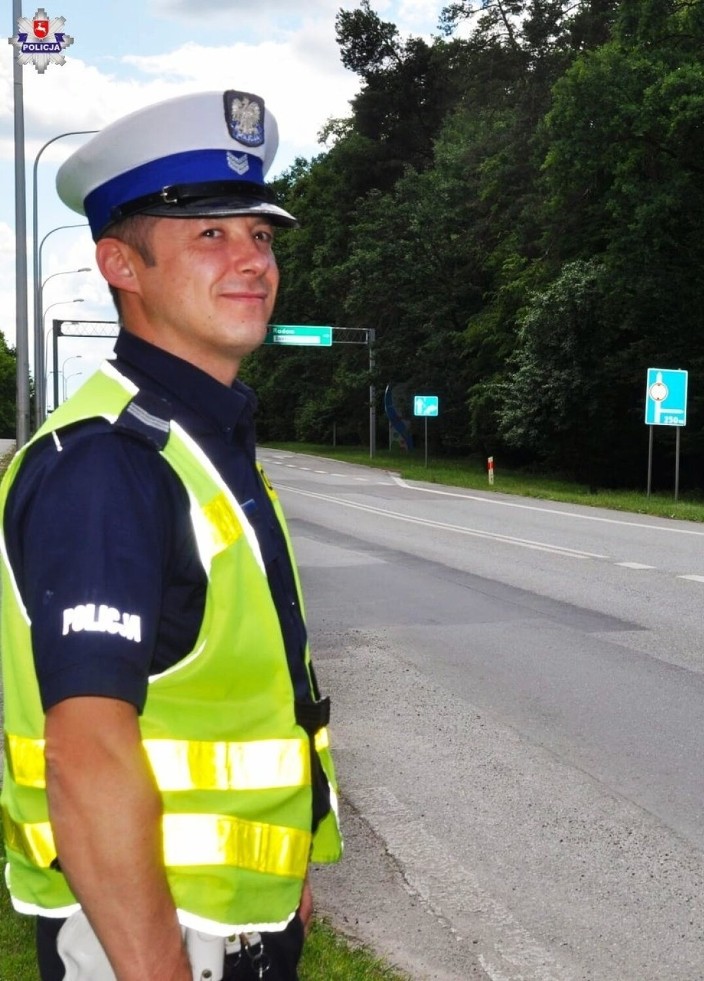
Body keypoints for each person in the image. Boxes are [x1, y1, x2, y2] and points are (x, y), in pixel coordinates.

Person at [0, 90, 342, 980]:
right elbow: (87, 758)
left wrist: (283, 871)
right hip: (149, 944)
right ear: (122, 263)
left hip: (225, 927)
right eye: (210, 236)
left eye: (261, 235)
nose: (253, 261)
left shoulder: (197, 441)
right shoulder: (107, 464)